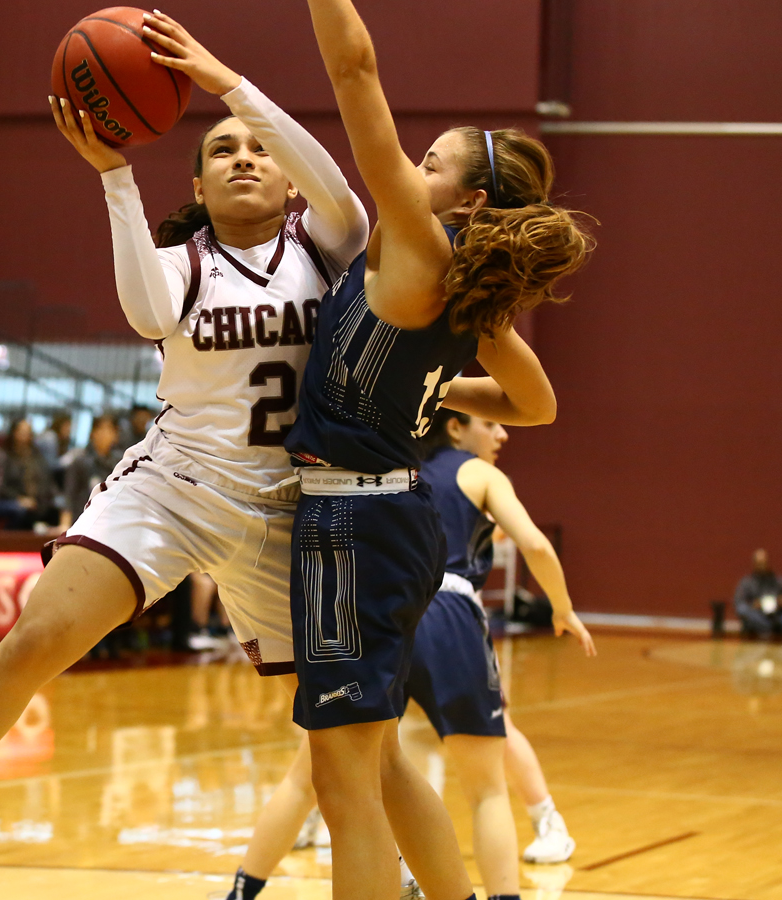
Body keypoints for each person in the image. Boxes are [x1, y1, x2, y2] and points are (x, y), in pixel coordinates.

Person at [0, 11, 368, 882]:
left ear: (288, 179)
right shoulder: (184, 261)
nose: (244, 156)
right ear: (200, 185)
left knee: (340, 718)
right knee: (37, 635)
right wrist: (114, 176)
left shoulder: (326, 244)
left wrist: (224, 83)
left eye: (258, 148)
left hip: (288, 511)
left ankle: (394, 866)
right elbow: (144, 313)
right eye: (221, 150)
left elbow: (347, 194)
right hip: (174, 485)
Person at [279, 3, 593, 898]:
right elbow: (538, 404)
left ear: (471, 199)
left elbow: (356, 74)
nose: (413, 168)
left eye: (431, 164)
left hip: (352, 520)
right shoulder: (472, 293)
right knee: (369, 769)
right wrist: (437, 388)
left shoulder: (421, 237)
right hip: (393, 517)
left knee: (344, 786)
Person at [239, 410, 597, 899]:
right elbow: (533, 541)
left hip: (384, 609)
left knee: (318, 771)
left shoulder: (396, 471)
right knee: (487, 788)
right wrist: (563, 608)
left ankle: (244, 890)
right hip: (449, 612)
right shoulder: (479, 473)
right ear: (454, 426)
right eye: (490, 424)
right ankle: (510, 875)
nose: (500, 433)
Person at [57, 413, 123, 532]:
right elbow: (69, 495)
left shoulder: (121, 463)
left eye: (109, 430)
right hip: (82, 522)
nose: (104, 434)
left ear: (115, 435)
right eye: (100, 429)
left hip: (112, 523)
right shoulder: (79, 461)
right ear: (92, 433)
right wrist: (64, 525)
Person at [734, 548, 782, 640]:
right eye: (759, 563)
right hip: (758, 616)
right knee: (743, 610)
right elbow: (739, 603)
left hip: (778, 615)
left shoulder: (778, 581)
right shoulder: (747, 582)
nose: (762, 566)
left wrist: (781, 601)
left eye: (764, 563)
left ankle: (776, 628)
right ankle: (767, 629)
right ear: (754, 564)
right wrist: (755, 605)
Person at [0, 417, 54, 529]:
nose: (25, 435)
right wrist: (20, 499)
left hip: (40, 503)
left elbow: (47, 482)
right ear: (14, 433)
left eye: (28, 432)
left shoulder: (38, 457)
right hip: (16, 502)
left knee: (57, 509)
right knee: (20, 512)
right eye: (22, 432)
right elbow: (2, 486)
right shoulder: (5, 457)